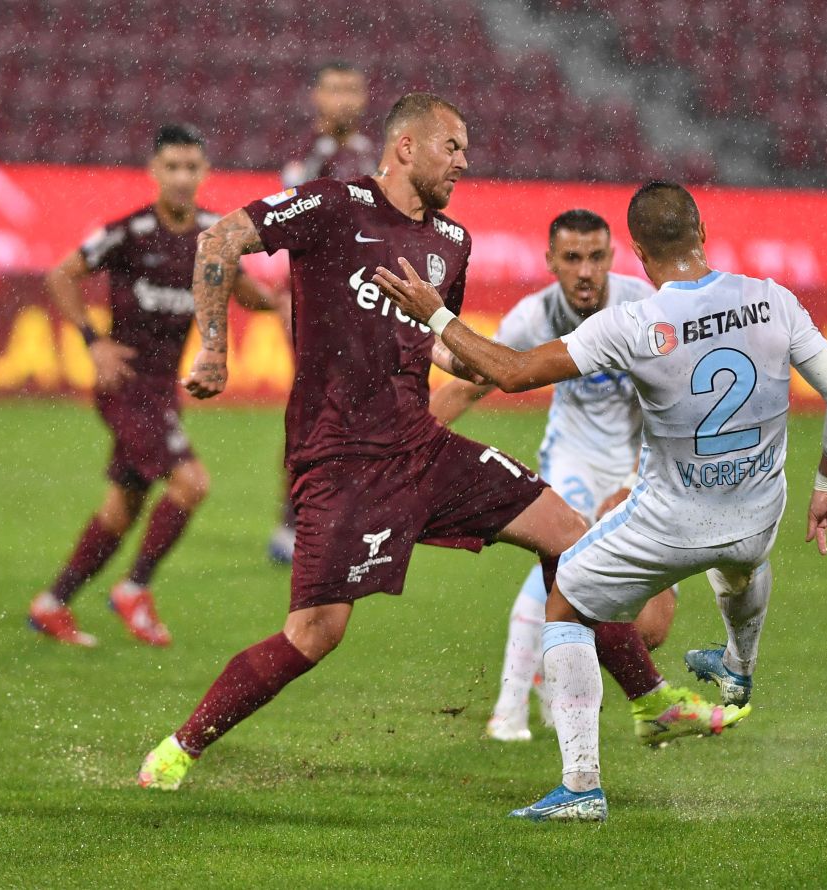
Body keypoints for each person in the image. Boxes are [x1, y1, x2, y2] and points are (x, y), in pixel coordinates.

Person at [136, 95, 743, 791]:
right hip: (343, 462)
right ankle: (179, 751)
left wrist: (499, 362)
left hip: (423, 447)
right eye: (451, 147)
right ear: (405, 148)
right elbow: (219, 241)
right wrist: (214, 347)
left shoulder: (451, 243)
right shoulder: (333, 205)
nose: (464, 161)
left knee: (570, 539)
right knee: (315, 632)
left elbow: (430, 345)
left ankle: (650, 700)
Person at [373, 180, 827, 822]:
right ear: (703, 234)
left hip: (668, 522)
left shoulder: (636, 322)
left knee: (566, 599)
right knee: (741, 566)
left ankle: (581, 786)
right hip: (755, 520)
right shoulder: (772, 300)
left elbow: (514, 372)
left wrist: (436, 314)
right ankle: (737, 669)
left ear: (633, 252)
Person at [27, 124, 284, 648]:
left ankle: (51, 604)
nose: (183, 178)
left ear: (205, 173)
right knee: (192, 483)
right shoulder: (131, 231)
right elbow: (60, 276)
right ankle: (134, 590)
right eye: (173, 167)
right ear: (154, 171)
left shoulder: (216, 235)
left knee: (122, 508)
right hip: (125, 385)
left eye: (192, 168)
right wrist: (93, 341)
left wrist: (284, 294)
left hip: (161, 392)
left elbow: (250, 295)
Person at [431, 209, 679, 742]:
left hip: (641, 466)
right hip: (571, 460)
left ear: (613, 258)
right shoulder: (533, 316)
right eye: (572, 258)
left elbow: (679, 405)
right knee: (560, 555)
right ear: (550, 262)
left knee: (651, 628)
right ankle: (509, 707)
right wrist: (406, 440)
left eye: (595, 257)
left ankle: (557, 670)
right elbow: (470, 385)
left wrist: (638, 479)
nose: (585, 271)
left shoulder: (643, 307)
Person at [269, 61, 381, 564]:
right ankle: (292, 523)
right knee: (316, 410)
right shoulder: (306, 157)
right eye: (334, 88)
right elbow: (291, 224)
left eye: (352, 88)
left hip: (361, 301)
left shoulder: (370, 153)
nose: (344, 99)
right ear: (316, 96)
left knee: (356, 411)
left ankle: (336, 517)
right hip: (317, 303)